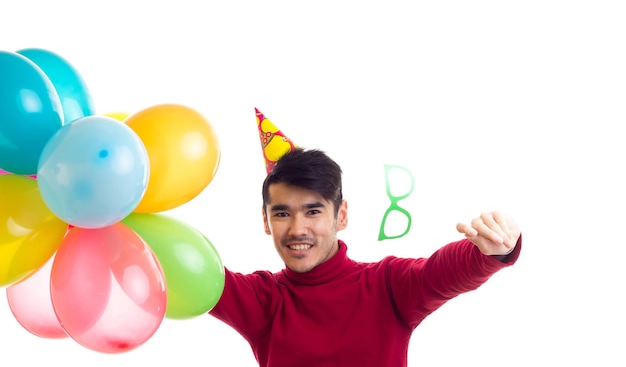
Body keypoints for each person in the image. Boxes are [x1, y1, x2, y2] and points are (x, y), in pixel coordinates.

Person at [208, 147, 522, 367]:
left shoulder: (386, 286)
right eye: (282, 213)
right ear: (265, 221)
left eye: (313, 211)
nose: (296, 229)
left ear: (340, 215)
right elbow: (191, 273)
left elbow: (439, 273)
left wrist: (490, 250)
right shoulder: (262, 299)